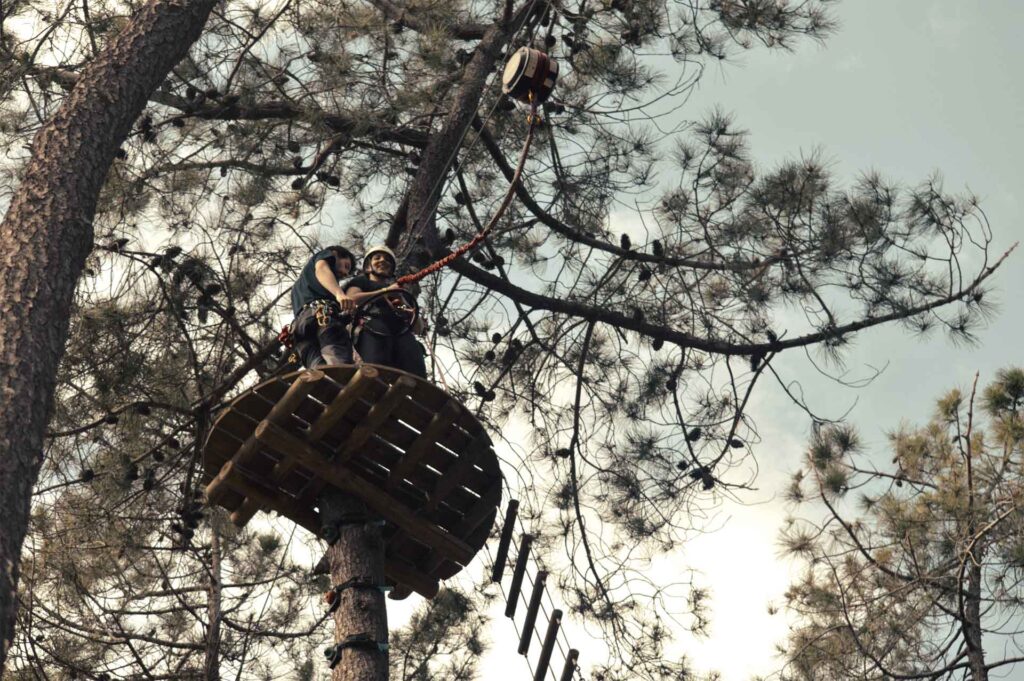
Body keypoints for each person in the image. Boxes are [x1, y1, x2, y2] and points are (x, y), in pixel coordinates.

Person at [345, 245, 427, 378]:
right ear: (367, 267)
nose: (383, 261)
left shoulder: (401, 293)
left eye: (387, 260)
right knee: (376, 371)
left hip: (401, 333)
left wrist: (402, 301)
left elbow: (418, 328)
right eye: (377, 258)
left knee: (416, 368)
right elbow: (350, 299)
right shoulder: (362, 282)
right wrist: (384, 292)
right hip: (372, 327)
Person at [289, 245, 357, 368]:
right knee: (338, 364)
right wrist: (339, 294)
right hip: (322, 316)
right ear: (335, 254)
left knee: (318, 371)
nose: (345, 273)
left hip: (300, 330)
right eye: (346, 266)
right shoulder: (326, 255)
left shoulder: (298, 288)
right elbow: (321, 268)